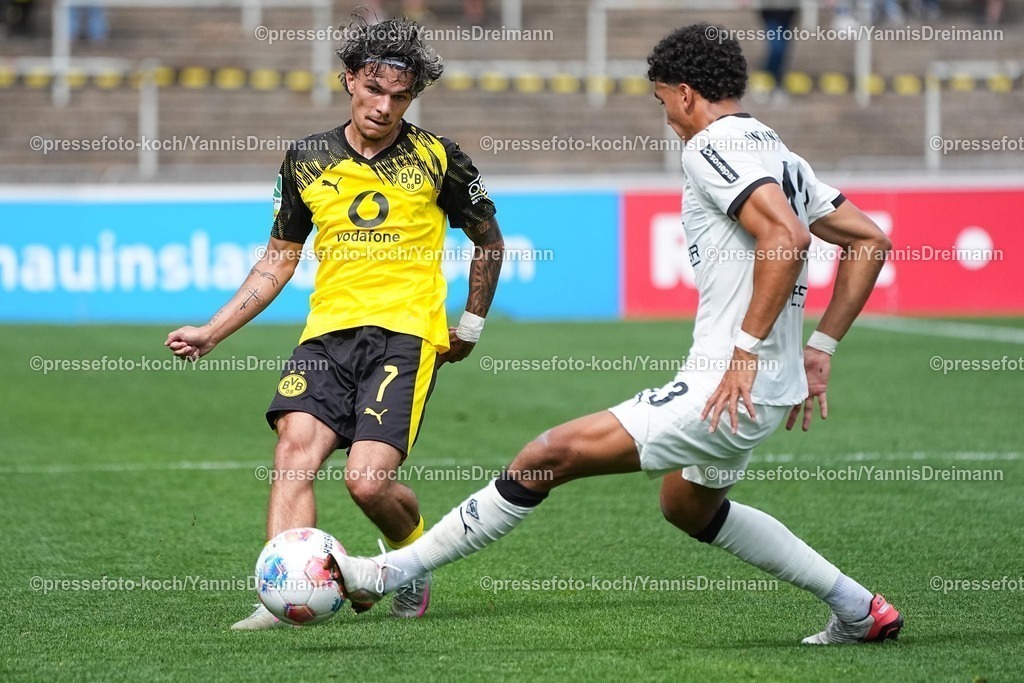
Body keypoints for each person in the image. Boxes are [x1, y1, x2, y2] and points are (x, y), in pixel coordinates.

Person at [328, 23, 904, 645]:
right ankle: (858, 609)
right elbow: (869, 239)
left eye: (662, 102)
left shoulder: (712, 146)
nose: (667, 119)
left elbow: (786, 240)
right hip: (761, 385)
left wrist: (745, 351)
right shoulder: (778, 152)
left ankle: (384, 573)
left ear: (685, 94)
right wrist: (819, 350)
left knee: (547, 455)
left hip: (728, 385)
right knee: (687, 506)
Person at [165, 16, 504, 628]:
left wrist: (471, 325)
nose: (384, 106)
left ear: (414, 97)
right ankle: (278, 594)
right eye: (373, 90)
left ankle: (409, 563)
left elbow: (489, 240)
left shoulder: (439, 159)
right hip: (325, 333)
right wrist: (211, 331)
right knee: (293, 453)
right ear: (349, 80)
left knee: (367, 484)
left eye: (400, 97)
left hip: (404, 333)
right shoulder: (307, 158)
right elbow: (278, 258)